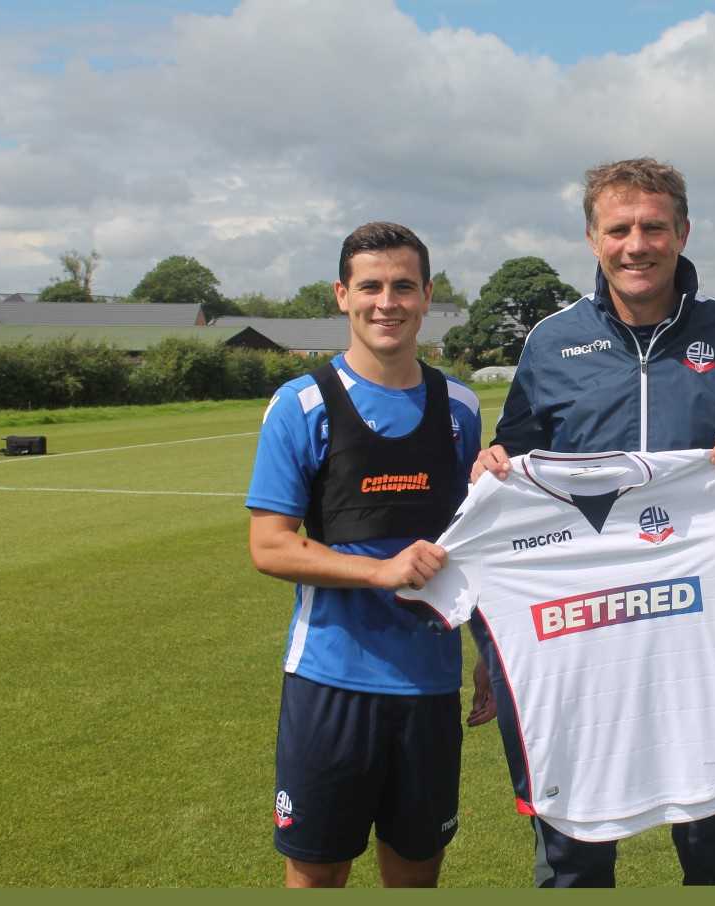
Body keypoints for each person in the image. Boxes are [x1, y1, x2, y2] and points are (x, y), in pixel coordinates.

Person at [471, 157, 715, 887]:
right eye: (620, 229)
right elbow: (516, 471)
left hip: (703, 621)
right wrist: (494, 468)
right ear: (594, 239)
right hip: (578, 631)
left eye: (654, 227)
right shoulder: (552, 343)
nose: (638, 245)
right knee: (575, 853)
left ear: (683, 233)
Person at [245, 222, 482, 887]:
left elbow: (473, 547)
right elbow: (269, 545)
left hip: (430, 685)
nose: (388, 302)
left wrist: (489, 655)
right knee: (318, 874)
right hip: (331, 681)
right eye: (371, 287)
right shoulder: (302, 404)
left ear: (427, 295)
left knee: (416, 873)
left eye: (403, 286)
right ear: (342, 295)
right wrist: (379, 571)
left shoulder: (460, 408)